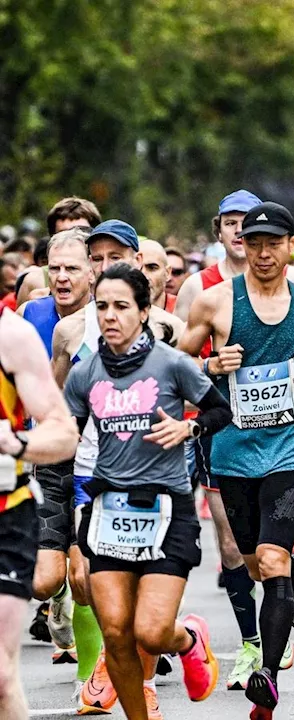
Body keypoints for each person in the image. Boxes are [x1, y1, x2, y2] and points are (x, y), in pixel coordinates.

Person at [179, 201, 294, 718]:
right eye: (255, 243)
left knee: (268, 560)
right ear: (242, 245)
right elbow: (176, 364)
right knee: (254, 561)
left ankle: (266, 676)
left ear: (291, 245)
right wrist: (209, 363)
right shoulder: (213, 304)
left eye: (275, 243)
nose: (265, 253)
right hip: (232, 449)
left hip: (292, 446)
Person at [65, 265, 229, 719]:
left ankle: (189, 638)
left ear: (143, 311)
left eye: (121, 306)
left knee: (152, 633)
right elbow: (65, 442)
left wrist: (188, 427)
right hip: (106, 510)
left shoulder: (172, 363)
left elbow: (221, 411)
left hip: (166, 510)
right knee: (116, 633)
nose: (110, 316)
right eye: (102, 307)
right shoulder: (85, 375)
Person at [22, 229, 97, 695]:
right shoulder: (32, 314)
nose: (63, 277)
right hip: (51, 456)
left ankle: (91, 677)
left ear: (92, 271)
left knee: (86, 576)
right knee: (44, 582)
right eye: (56, 268)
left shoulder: (112, 315)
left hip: (101, 460)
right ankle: (57, 602)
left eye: (73, 268)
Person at [0, 294, 81, 720]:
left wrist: (18, 444)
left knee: (0, 675)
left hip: (5, 516)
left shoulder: (11, 336)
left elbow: (63, 433)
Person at [15, 197, 102, 307]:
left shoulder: (108, 275)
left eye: (82, 232)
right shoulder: (35, 281)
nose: (72, 238)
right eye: (64, 233)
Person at [138, 239, 177, 313]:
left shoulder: (183, 310)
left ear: (167, 273)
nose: (144, 276)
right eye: (137, 268)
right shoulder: (118, 310)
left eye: (152, 268)